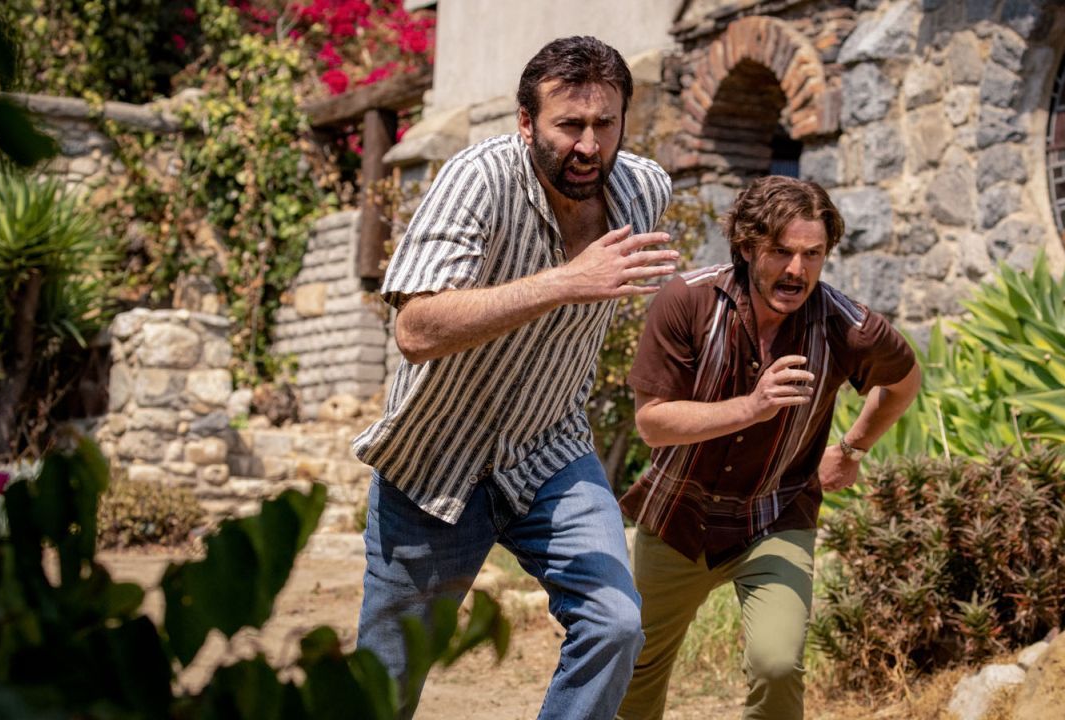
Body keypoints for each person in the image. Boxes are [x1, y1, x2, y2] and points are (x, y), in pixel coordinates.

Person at [350, 36, 677, 719]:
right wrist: (565, 281)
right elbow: (416, 329)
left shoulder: (646, 190)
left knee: (616, 625)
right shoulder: (479, 180)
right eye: (569, 125)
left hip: (549, 448)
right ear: (526, 122)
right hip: (434, 460)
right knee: (383, 689)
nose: (589, 146)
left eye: (605, 124)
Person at [615, 176, 922, 720]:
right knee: (632, 672)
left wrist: (852, 448)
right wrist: (752, 407)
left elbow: (905, 382)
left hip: (775, 516)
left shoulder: (845, 327)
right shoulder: (688, 301)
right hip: (678, 514)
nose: (797, 270)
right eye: (781, 251)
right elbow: (653, 424)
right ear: (747, 246)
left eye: (812, 254)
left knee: (777, 665)